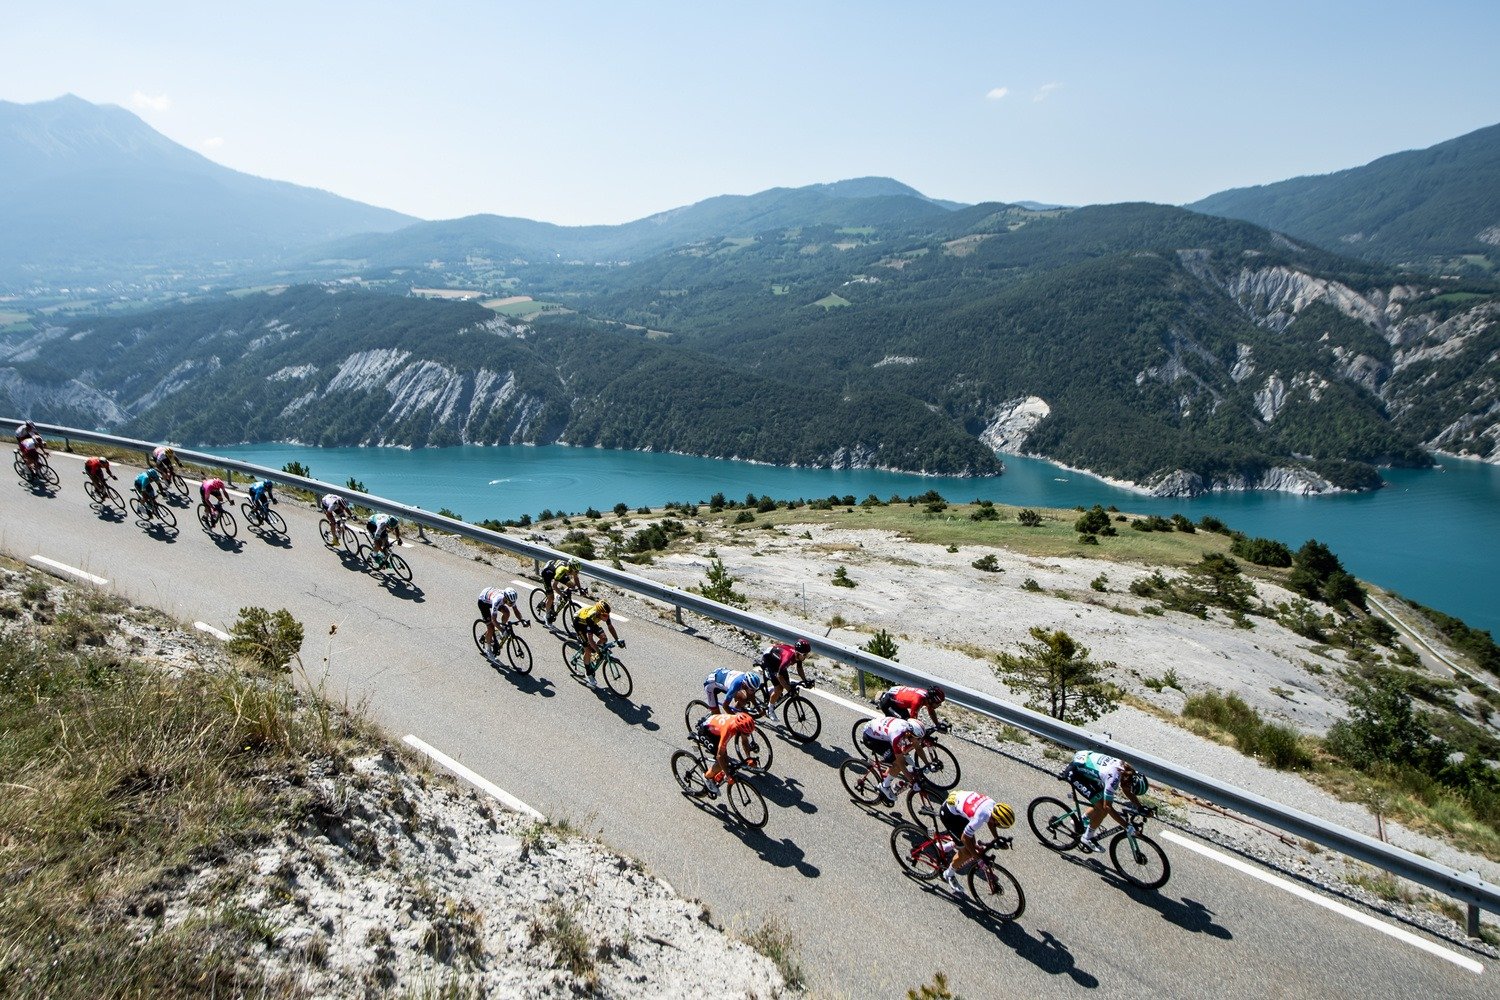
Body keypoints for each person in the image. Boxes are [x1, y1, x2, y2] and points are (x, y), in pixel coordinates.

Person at [1067, 750, 1148, 853]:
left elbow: (1125, 788)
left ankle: (1081, 821)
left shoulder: (1128, 771)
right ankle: (1087, 838)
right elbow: (1107, 807)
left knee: (1101, 800)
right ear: (1129, 781)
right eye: (1131, 788)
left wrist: (1140, 807)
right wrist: (1127, 826)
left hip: (1084, 762)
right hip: (1075, 773)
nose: (1129, 790)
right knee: (1103, 809)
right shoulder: (1114, 778)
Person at [937, 789, 1015, 891]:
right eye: (1000, 825)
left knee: (970, 844)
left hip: (959, 807)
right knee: (967, 852)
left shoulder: (993, 805)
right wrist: (977, 858)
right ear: (995, 819)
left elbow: (991, 822)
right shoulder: (979, 818)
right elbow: (965, 838)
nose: (999, 826)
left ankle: (949, 845)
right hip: (949, 814)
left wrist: (996, 838)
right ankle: (948, 874)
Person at [860, 715, 926, 803]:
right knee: (897, 765)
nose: (918, 740)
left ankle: (888, 773)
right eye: (917, 738)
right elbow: (901, 764)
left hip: (881, 730)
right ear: (909, 734)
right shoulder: (897, 736)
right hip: (871, 738)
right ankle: (884, 786)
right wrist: (912, 781)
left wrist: (927, 764)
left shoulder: (908, 729)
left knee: (903, 755)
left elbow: (918, 747)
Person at [696, 710, 758, 797]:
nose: (747, 735)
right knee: (722, 761)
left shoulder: (740, 724)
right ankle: (707, 777)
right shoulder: (729, 730)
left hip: (716, 727)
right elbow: (719, 756)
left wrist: (749, 757)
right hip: (706, 732)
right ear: (739, 728)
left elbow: (744, 741)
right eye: (746, 733)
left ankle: (719, 772)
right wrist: (728, 776)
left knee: (725, 761)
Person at [756, 637, 812, 720]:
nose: (806, 657)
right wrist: (788, 689)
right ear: (798, 653)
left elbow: (799, 668)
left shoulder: (798, 655)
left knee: (786, 683)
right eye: (804, 655)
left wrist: (805, 680)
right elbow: (779, 675)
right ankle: (769, 710)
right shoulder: (788, 658)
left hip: (778, 659)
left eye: (807, 654)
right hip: (769, 660)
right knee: (779, 689)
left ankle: (771, 691)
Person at [572, 599, 623, 688]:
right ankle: (588, 674)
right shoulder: (590, 618)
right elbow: (590, 639)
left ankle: (594, 655)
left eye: (608, 615)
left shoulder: (604, 613)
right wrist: (598, 651)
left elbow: (610, 627)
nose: (607, 617)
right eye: (605, 616)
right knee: (587, 649)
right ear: (599, 613)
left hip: (591, 621)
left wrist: (617, 639)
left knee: (604, 638)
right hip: (580, 623)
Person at [879, 684, 946, 729]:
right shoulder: (917, 701)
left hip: (896, 701)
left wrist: (937, 724)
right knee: (904, 725)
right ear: (932, 700)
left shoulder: (927, 697)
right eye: (938, 703)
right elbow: (913, 722)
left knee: (907, 723)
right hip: (888, 703)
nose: (939, 705)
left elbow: (931, 711)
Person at [541, 557, 586, 623]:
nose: (577, 572)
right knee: (551, 598)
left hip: (559, 573)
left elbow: (576, 578)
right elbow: (554, 586)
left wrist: (580, 589)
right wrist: (562, 595)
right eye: (576, 571)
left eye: (578, 571)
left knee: (572, 585)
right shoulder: (561, 571)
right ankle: (547, 616)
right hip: (547, 574)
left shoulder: (571, 570)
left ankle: (559, 597)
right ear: (571, 569)